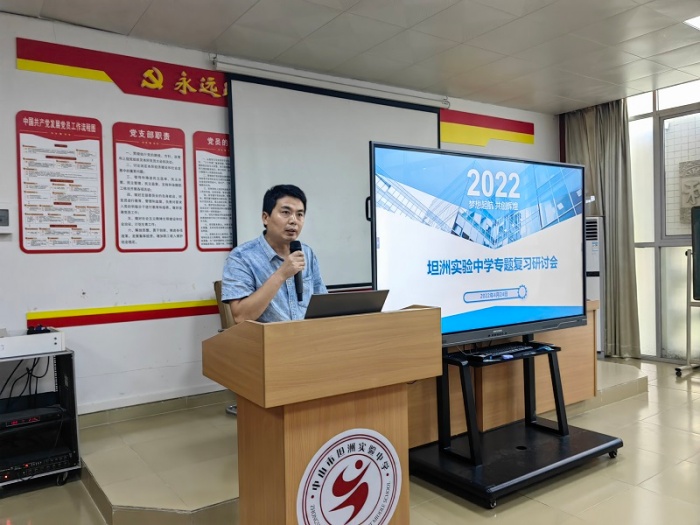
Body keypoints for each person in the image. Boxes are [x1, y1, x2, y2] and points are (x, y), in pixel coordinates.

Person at [220, 184, 327, 414]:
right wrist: (281, 274)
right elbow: (241, 315)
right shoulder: (241, 258)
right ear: (265, 218)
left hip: (309, 348)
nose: (293, 221)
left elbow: (323, 302)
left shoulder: (307, 253)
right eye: (285, 212)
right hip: (267, 353)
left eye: (300, 214)